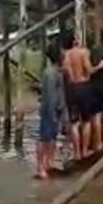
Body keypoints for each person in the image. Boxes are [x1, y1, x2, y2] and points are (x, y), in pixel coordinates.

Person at [62, 31, 103, 159]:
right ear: (76, 40)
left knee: (74, 123)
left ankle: (76, 153)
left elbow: (65, 72)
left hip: (72, 89)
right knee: (86, 121)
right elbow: (90, 70)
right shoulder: (84, 52)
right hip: (84, 87)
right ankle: (84, 150)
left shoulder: (66, 55)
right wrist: (100, 66)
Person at [36, 43, 66, 179]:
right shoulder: (50, 73)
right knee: (44, 139)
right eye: (62, 52)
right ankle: (40, 167)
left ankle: (49, 162)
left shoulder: (57, 71)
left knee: (52, 139)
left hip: (56, 110)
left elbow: (60, 93)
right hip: (49, 111)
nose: (64, 54)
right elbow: (49, 96)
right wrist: (52, 113)